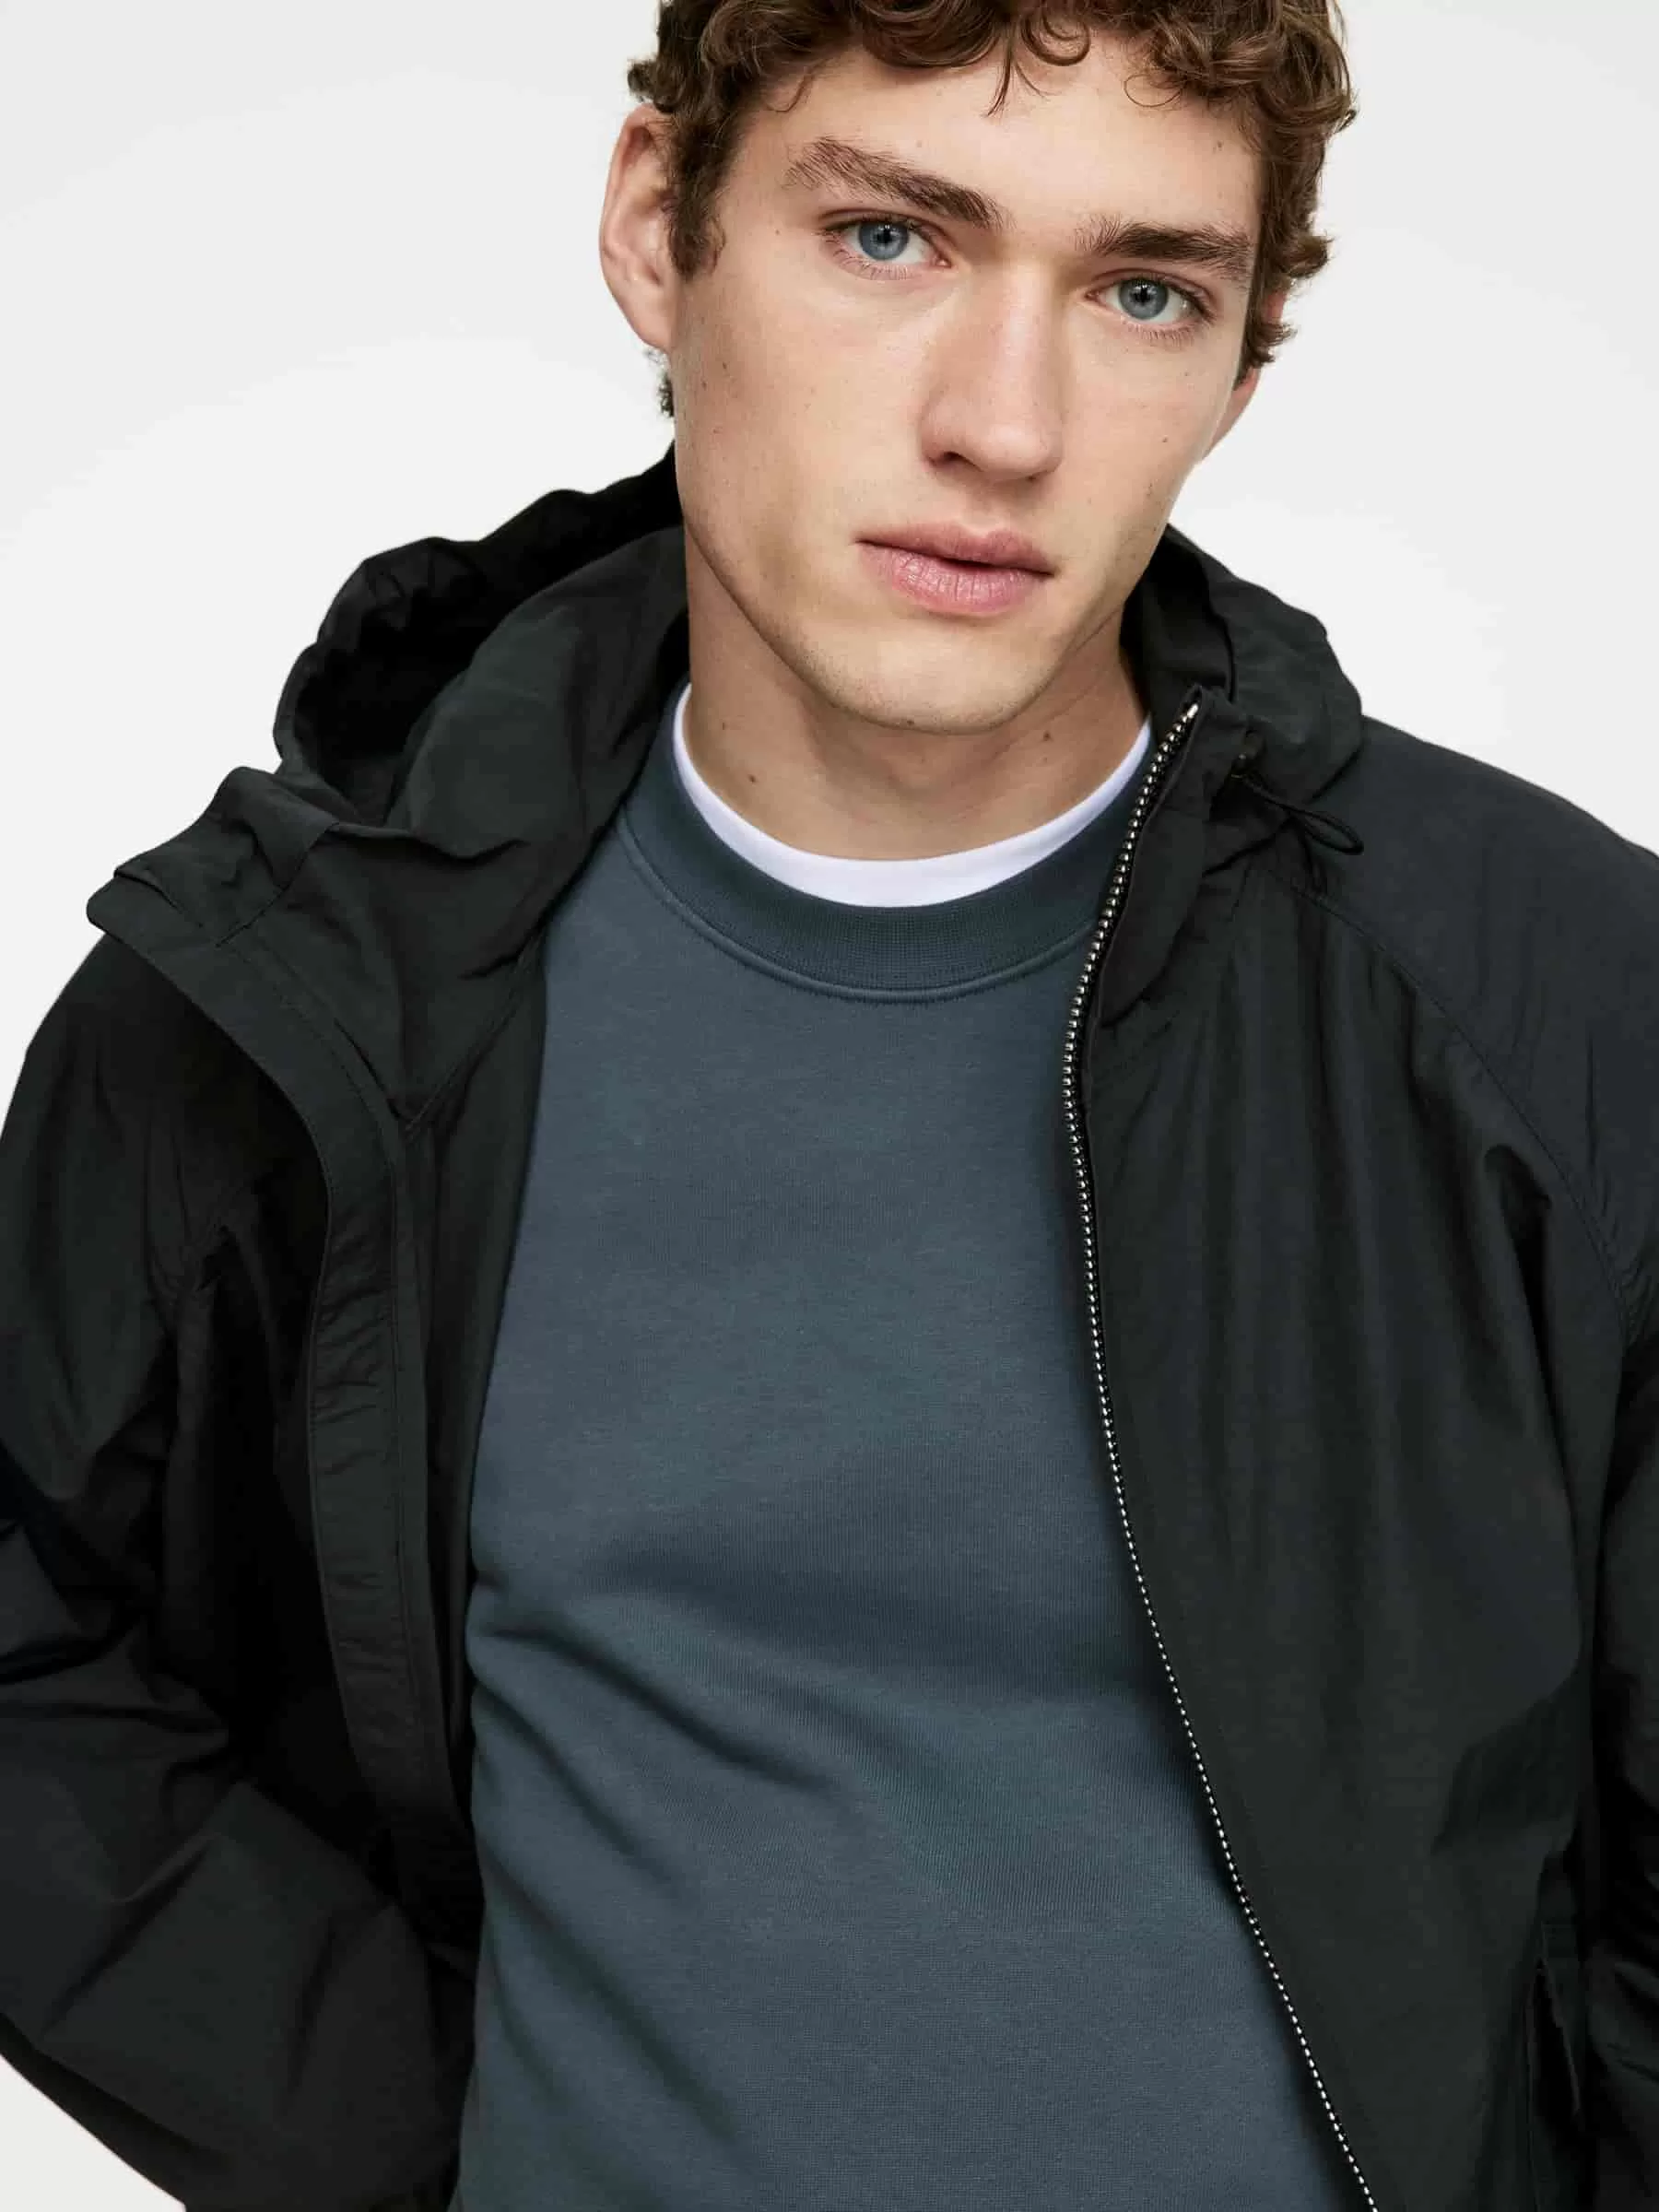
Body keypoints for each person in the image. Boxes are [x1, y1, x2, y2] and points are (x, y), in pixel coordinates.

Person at [0, 3, 1648, 2207]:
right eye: (890, 238)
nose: (1005, 423)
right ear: (656, 231)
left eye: (1144, 292)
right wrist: (419, 2144)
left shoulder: (1554, 1003)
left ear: (1243, 366)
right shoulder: (294, 996)